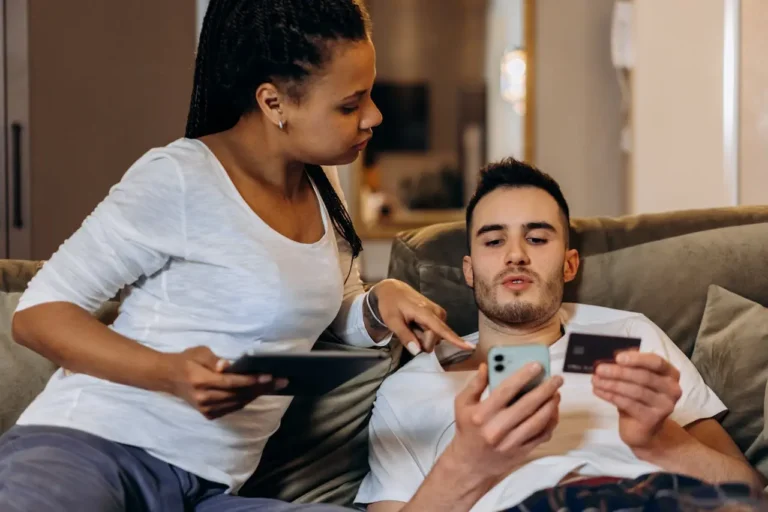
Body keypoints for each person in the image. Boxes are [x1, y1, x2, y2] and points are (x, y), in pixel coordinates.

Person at [0, 1, 472, 511]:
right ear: (274, 103)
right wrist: (169, 372)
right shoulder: (179, 177)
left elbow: (326, 311)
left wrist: (381, 301)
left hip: (208, 489)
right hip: (94, 448)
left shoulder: (323, 183)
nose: (373, 116)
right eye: (349, 104)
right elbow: (38, 315)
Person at [355, 158, 767, 512]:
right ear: (468, 270)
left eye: (536, 238)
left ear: (570, 266)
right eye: (495, 240)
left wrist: (662, 442)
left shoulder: (630, 336)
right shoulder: (410, 389)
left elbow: (747, 493)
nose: (516, 254)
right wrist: (468, 464)